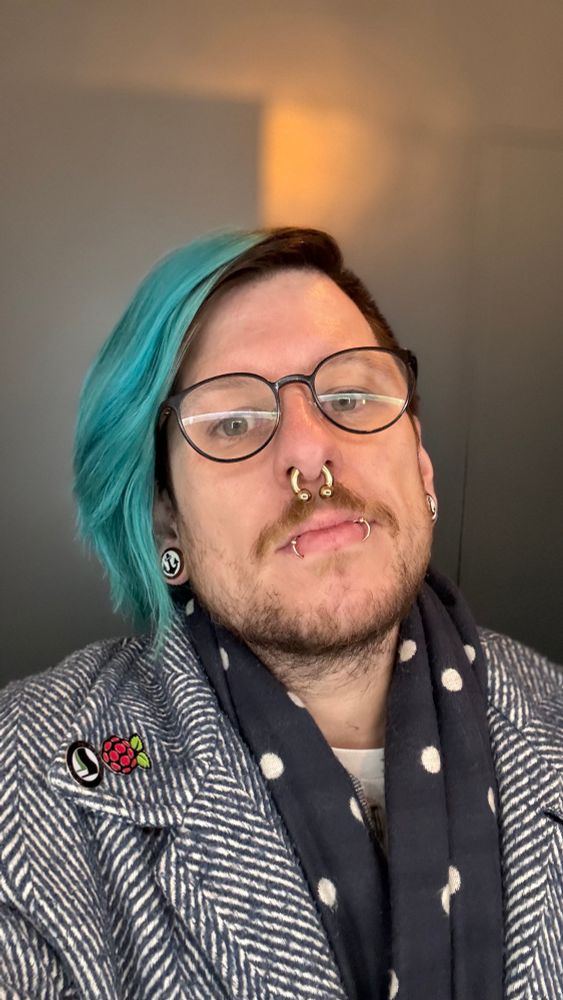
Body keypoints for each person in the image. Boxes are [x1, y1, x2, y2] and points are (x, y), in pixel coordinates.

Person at [0, 228, 561, 1000]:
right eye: (233, 421)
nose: (309, 454)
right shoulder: (33, 774)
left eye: (351, 397)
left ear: (421, 464)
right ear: (165, 523)